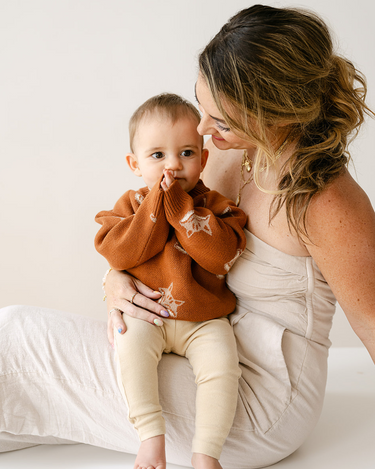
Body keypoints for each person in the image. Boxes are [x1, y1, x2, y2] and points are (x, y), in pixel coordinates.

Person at [0, 5, 374, 469]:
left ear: (272, 115)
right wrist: (114, 277)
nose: (201, 130)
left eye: (221, 120)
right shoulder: (227, 156)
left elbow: (373, 321)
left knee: (15, 337)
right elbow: (171, 235)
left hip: (258, 400)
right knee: (21, 390)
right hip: (190, 341)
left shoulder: (328, 203)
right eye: (203, 108)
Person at [94, 92, 247, 469]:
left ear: (203, 158)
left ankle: (206, 453)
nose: (173, 165)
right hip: (151, 316)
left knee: (223, 369)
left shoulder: (217, 205)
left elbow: (221, 256)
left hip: (206, 321)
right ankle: (150, 437)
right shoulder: (130, 205)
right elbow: (120, 254)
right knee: (128, 348)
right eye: (157, 155)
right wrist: (154, 205)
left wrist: (181, 208)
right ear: (135, 163)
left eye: (186, 153)